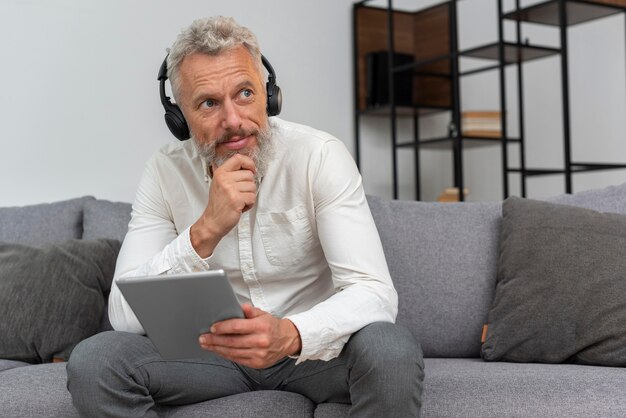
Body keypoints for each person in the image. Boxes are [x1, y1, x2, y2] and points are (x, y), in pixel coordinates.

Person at [67, 15, 424, 417]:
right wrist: (206, 229)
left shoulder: (319, 156)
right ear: (179, 119)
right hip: (213, 358)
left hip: (315, 352)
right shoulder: (164, 171)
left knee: (391, 349)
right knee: (96, 360)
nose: (234, 120)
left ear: (269, 96)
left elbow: (375, 292)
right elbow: (124, 317)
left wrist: (290, 334)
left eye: (245, 93)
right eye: (208, 103)